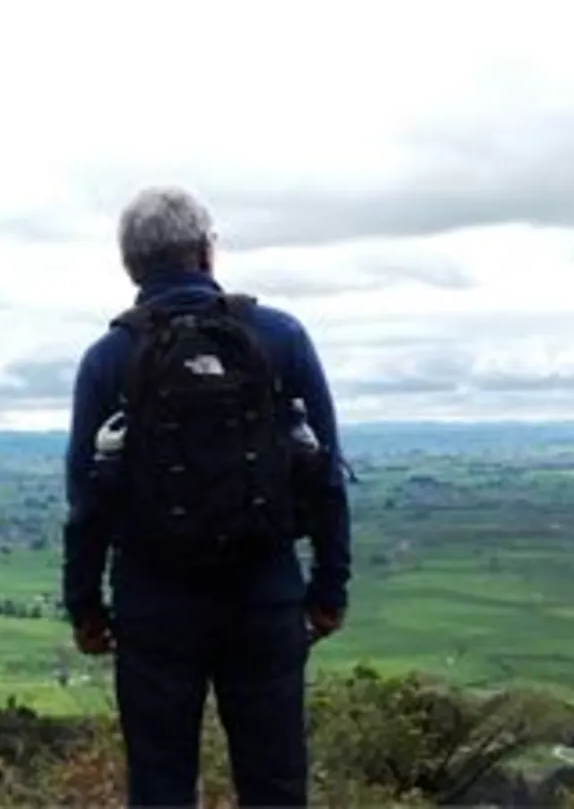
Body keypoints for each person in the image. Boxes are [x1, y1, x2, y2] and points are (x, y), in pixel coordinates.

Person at [61, 185, 352, 808]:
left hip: (153, 602)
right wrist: (328, 592)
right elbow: (326, 473)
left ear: (130, 265)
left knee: (161, 786)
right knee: (274, 783)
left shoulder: (108, 359)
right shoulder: (280, 337)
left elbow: (85, 499)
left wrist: (85, 609)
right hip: (265, 593)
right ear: (205, 253)